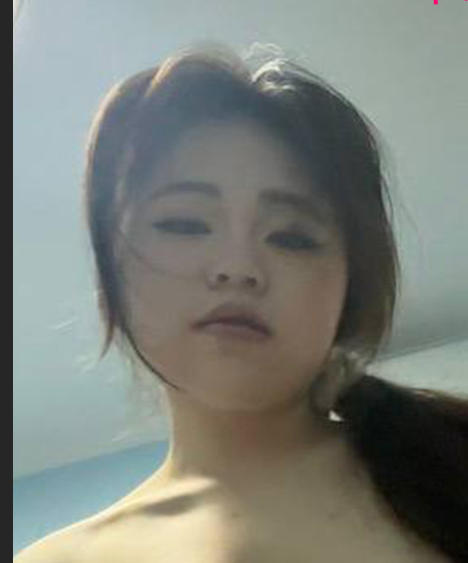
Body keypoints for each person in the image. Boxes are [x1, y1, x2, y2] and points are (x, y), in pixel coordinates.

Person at [15, 42, 467, 563]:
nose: (237, 266)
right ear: (112, 269)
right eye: (184, 224)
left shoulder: (447, 461)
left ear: (351, 283)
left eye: (292, 237)